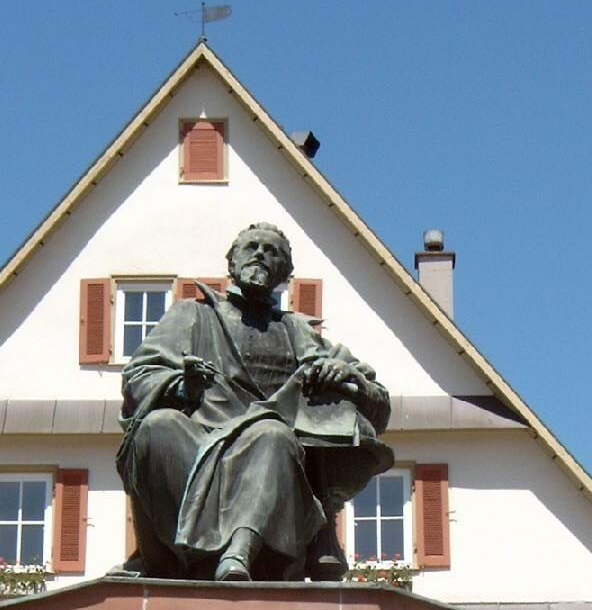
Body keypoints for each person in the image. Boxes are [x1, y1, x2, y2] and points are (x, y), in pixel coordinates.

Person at [117, 222, 393, 582]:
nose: (261, 254)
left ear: (285, 275)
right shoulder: (192, 317)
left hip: (271, 455)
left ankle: (239, 554)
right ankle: (179, 557)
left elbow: (379, 403)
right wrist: (182, 386)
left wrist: (347, 377)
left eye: (273, 251)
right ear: (232, 263)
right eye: (252, 247)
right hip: (198, 441)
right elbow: (138, 376)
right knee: (156, 427)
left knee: (272, 435)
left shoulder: (300, 334)